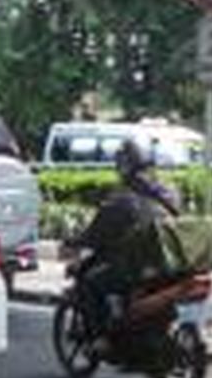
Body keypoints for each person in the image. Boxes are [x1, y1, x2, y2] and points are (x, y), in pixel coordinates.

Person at [64, 139, 181, 334]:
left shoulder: (122, 199)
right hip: (169, 265)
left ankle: (101, 339)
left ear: (124, 167)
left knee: (90, 282)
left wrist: (74, 242)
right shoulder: (170, 194)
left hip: (135, 267)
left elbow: (95, 233)